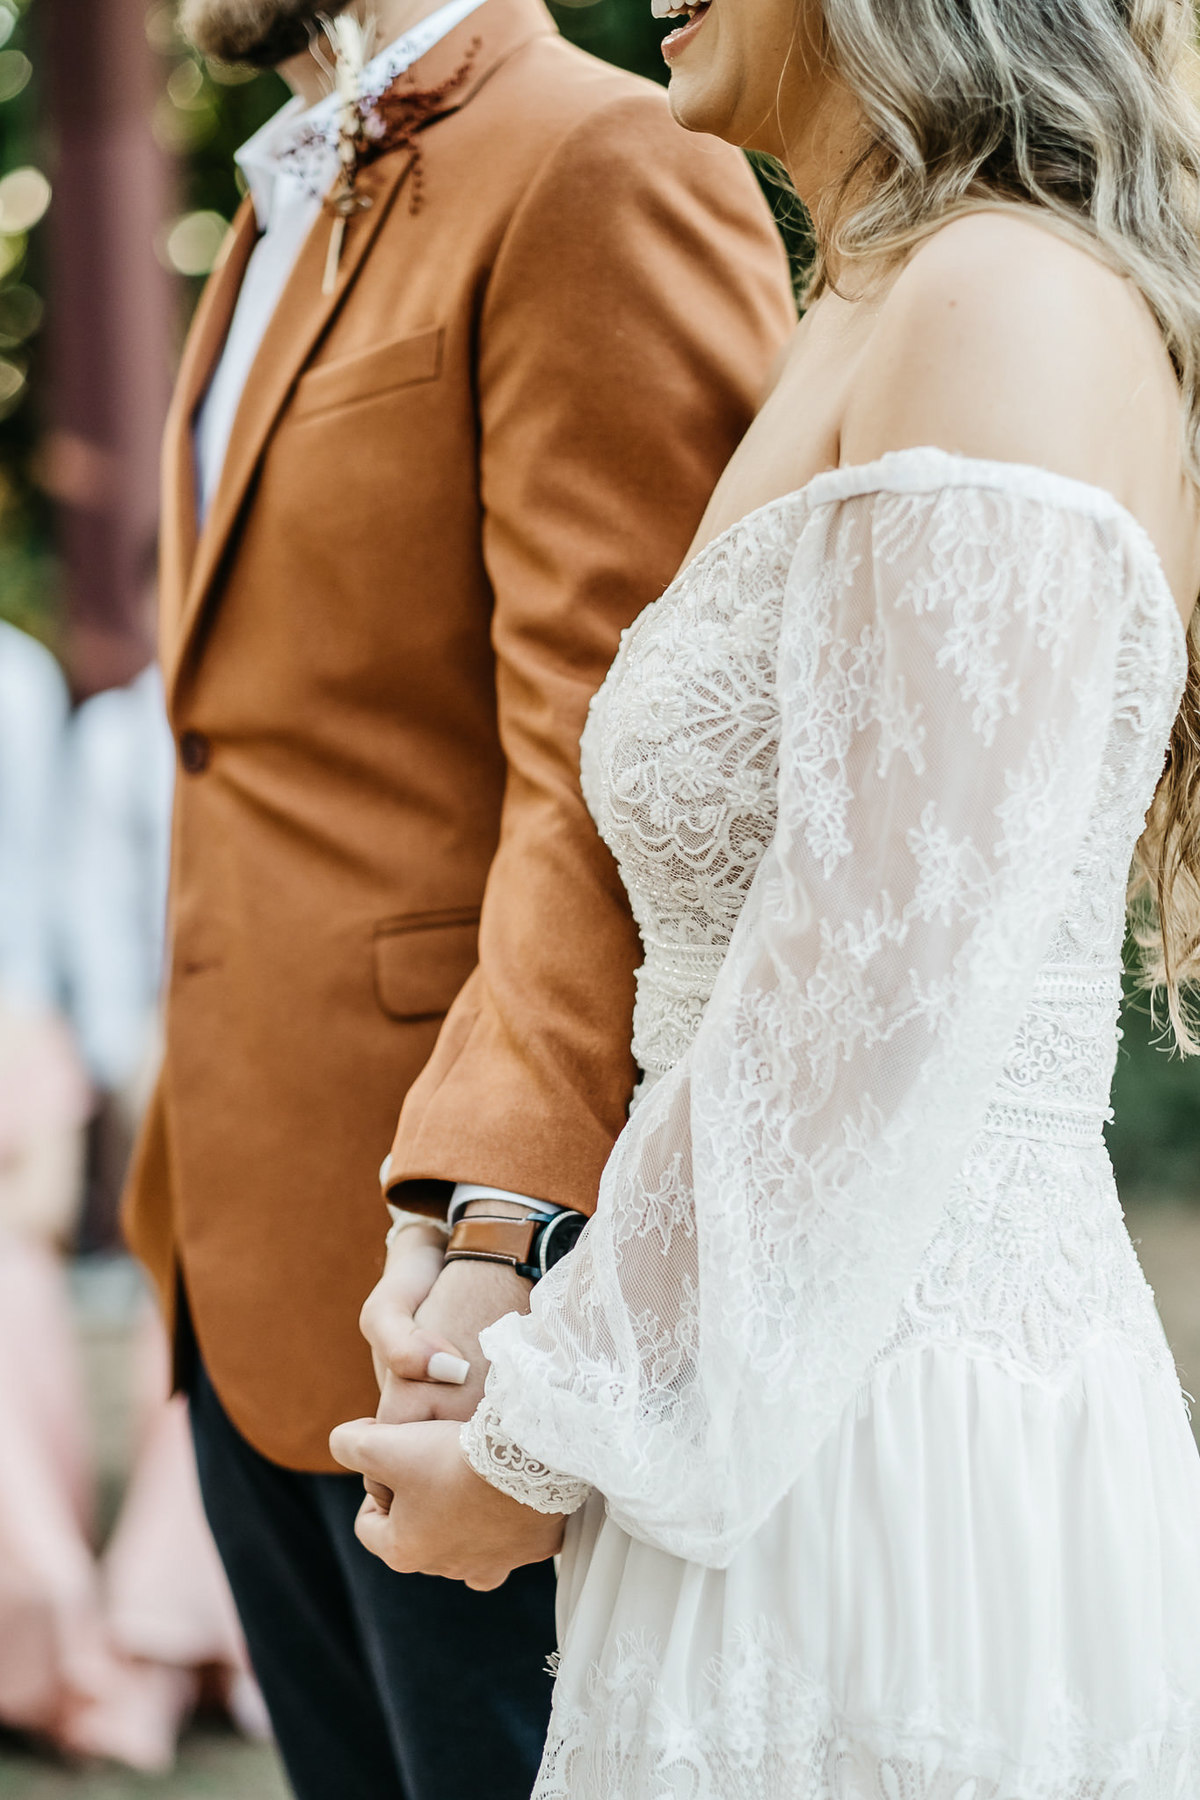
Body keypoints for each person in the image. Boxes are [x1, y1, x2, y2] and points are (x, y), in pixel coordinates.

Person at [331, 0, 1200, 1789]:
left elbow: (883, 1007)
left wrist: (538, 1450)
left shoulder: (1003, 305)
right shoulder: (867, 308)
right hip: (767, 1411)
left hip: (902, 1447)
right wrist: (510, 1281)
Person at [122, 0, 794, 1796]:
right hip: (243, 1255)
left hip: (468, 1290)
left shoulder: (603, 159)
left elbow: (626, 773)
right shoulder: (280, 196)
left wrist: (504, 1234)